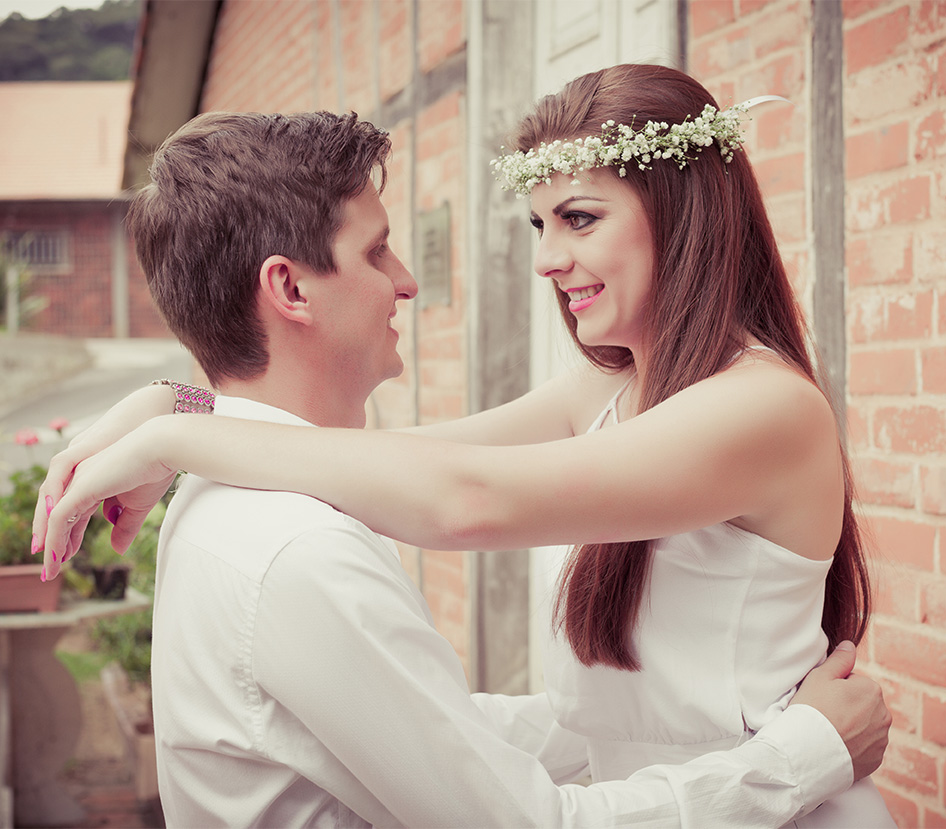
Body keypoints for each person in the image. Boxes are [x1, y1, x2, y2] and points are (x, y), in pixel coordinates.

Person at [34, 106, 890, 826]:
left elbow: (460, 497)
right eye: (539, 224)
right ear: (291, 289)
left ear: (682, 216)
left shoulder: (761, 406)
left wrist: (175, 438)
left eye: (580, 218)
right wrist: (173, 405)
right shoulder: (600, 388)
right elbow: (404, 465)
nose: (547, 259)